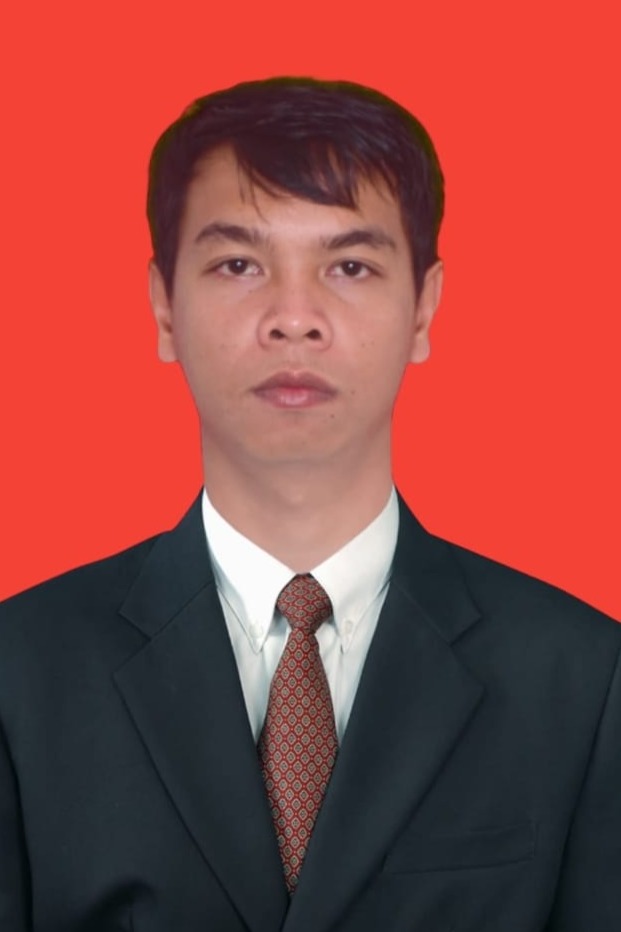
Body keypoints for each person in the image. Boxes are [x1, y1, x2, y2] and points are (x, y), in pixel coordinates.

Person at [0, 77, 619, 932]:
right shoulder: (22, 671)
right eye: (238, 265)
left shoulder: (580, 678)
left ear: (423, 307)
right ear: (164, 306)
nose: (294, 319)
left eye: (350, 266)